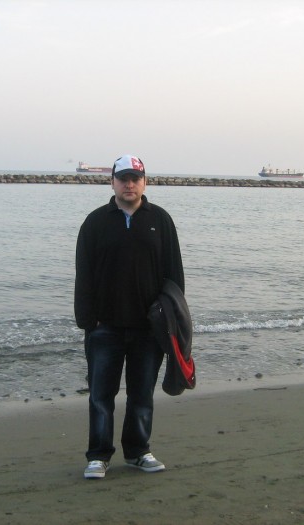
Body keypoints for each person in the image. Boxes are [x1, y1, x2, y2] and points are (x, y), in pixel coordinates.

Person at [74, 154, 185, 479]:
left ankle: (138, 452)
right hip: (104, 327)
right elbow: (84, 274)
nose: (129, 184)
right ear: (112, 182)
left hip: (148, 329)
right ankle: (98, 456)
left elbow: (174, 275)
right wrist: (87, 321)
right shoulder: (95, 222)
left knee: (141, 394)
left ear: (144, 182)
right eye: (123, 178)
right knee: (100, 395)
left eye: (135, 178)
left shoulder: (160, 220)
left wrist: (171, 317)